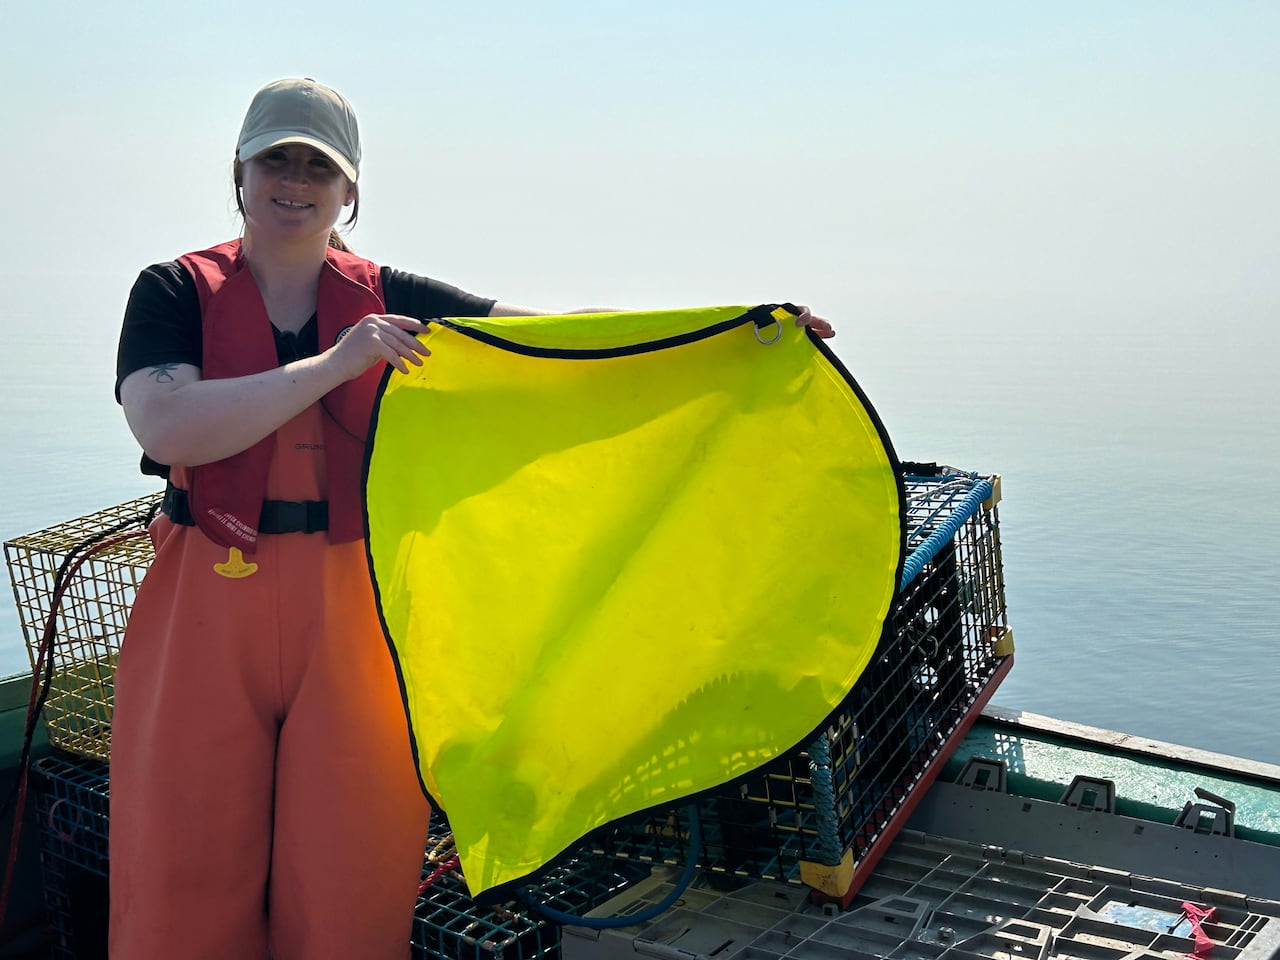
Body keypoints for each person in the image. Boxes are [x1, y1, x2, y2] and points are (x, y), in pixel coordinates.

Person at [111, 77, 834, 960]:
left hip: (359, 601)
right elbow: (166, 421)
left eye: (318, 166)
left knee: (353, 860)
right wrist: (340, 364)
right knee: (181, 856)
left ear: (351, 191)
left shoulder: (392, 296)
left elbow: (557, 343)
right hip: (202, 596)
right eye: (276, 159)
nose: (294, 180)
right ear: (239, 171)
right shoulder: (173, 290)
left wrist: (732, 333)